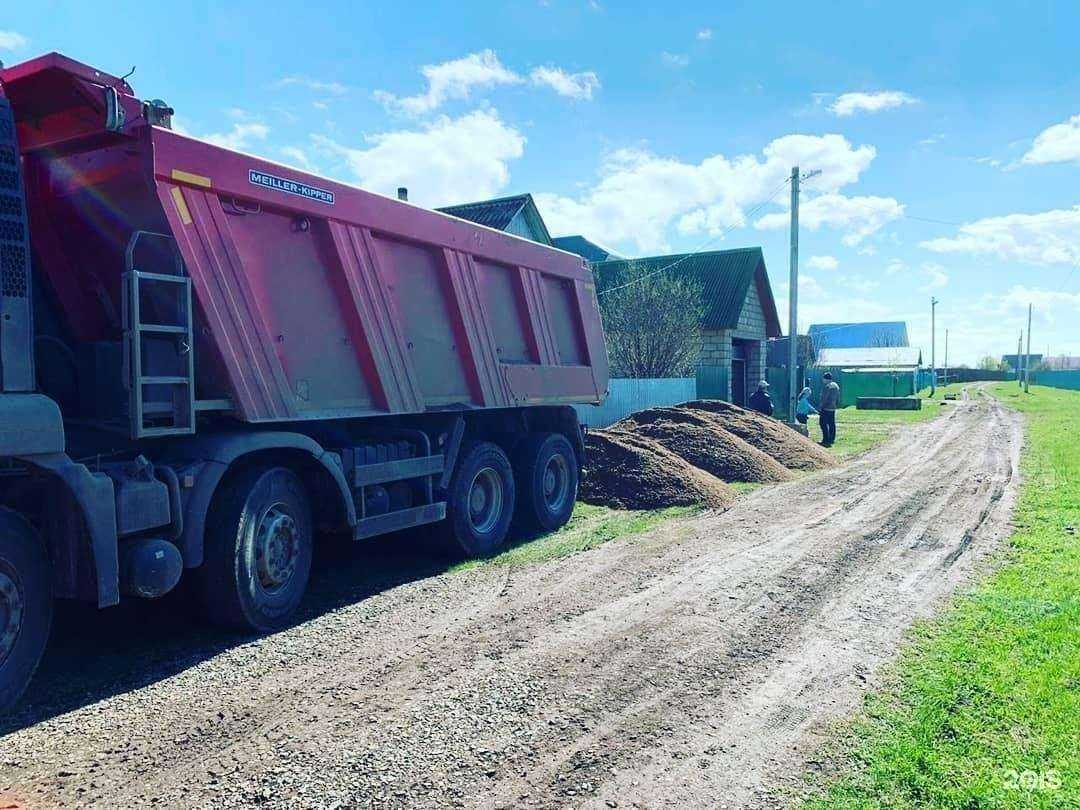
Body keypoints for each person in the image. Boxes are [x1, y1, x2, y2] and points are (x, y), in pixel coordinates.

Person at [819, 372, 840, 445]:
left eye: (823, 379)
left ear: (826, 379)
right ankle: (831, 439)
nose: (823, 380)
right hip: (833, 408)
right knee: (832, 424)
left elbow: (825, 398)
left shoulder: (827, 386)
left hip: (826, 408)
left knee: (823, 423)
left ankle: (825, 440)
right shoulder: (836, 386)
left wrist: (821, 406)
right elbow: (838, 398)